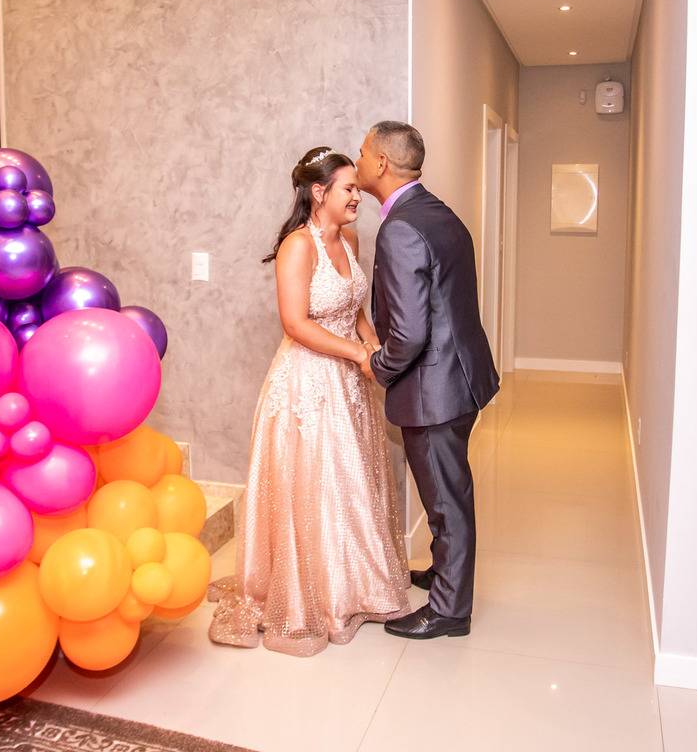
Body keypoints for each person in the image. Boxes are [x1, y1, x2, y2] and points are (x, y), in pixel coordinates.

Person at [207, 146, 411, 657]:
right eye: (348, 188)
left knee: (350, 482)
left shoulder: (352, 239)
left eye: (357, 187)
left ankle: (355, 584)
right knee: (315, 485)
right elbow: (296, 324)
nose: (358, 196)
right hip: (308, 382)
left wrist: (374, 347)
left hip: (349, 384)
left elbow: (353, 307)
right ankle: (315, 595)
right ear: (319, 193)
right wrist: (358, 354)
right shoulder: (297, 247)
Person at [354, 121, 499, 640]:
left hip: (435, 389)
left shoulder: (400, 228)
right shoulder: (438, 212)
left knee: (445, 501)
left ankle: (449, 611)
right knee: (447, 491)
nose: (358, 159)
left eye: (362, 152)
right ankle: (444, 574)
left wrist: (379, 366)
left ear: (380, 163)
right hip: (462, 377)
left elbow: (411, 332)